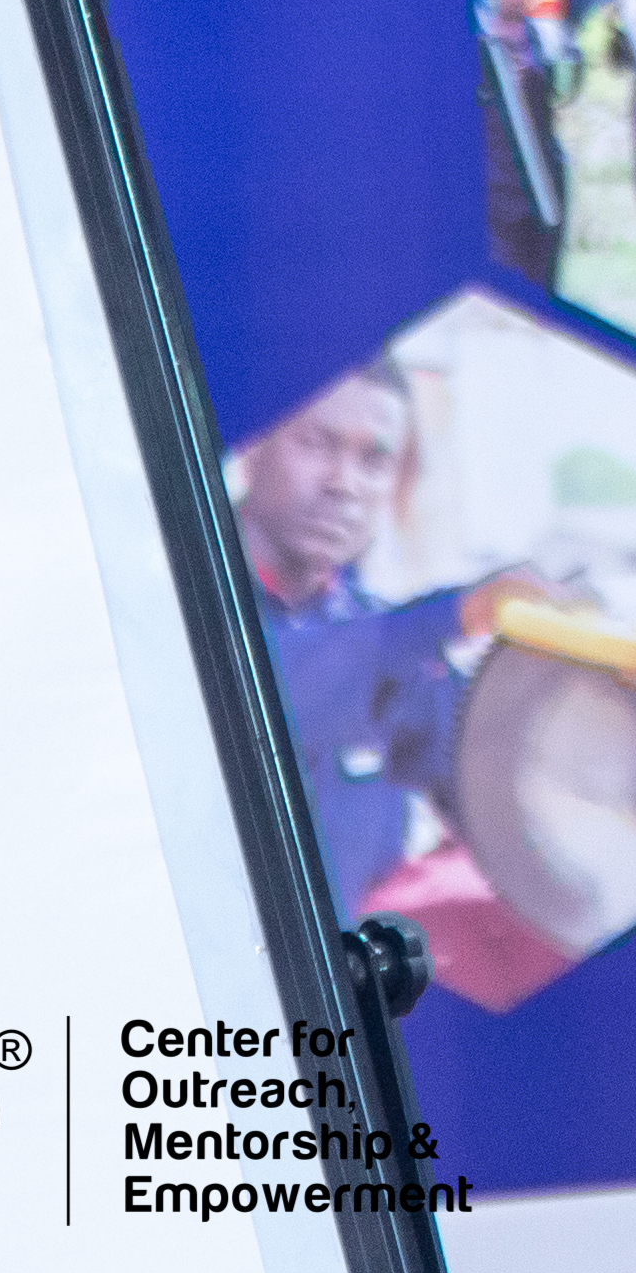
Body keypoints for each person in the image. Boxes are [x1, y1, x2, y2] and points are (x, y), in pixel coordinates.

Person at [231, 362, 472, 912]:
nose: (344, 483)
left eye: (375, 460)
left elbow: (484, 781)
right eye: (318, 444)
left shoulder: (394, 645)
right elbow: (269, 692)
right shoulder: (172, 596)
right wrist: (458, 614)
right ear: (251, 448)